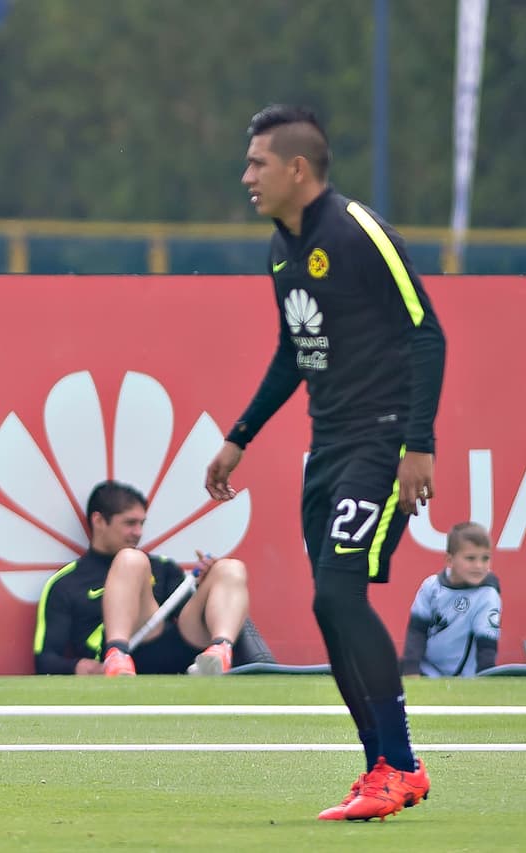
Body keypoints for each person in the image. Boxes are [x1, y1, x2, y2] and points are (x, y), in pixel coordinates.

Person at [204, 104, 446, 822]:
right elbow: (294, 350)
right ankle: (381, 765)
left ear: (297, 169)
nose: (246, 175)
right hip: (328, 445)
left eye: (257, 163)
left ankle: (400, 763)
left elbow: (426, 334)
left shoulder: (356, 232)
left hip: (380, 441)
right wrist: (240, 433)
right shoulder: (281, 247)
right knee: (331, 605)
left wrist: (417, 444)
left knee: (337, 596)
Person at [34, 480, 270, 677]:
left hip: (176, 650)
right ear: (98, 521)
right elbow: (45, 659)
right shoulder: (66, 582)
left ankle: (221, 652)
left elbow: (187, 617)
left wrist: (206, 586)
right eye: (129, 523)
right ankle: (117, 655)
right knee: (131, 560)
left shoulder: (163, 567)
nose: (138, 532)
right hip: (129, 654)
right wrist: (79, 667)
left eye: (141, 523)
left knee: (230, 569)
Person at [401, 522, 500, 677]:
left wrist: (485, 682)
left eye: (485, 558)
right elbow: (416, 631)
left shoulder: (487, 594)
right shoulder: (431, 587)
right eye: (470, 558)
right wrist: (411, 670)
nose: (479, 566)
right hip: (426, 672)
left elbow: (486, 646)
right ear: (449, 560)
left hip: (464, 679)